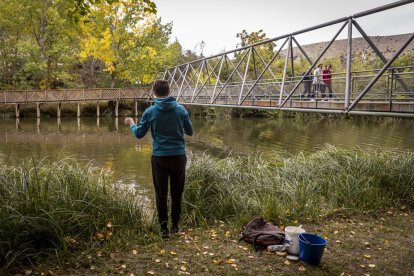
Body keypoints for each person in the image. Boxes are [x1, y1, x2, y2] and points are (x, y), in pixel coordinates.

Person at [125, 80, 193, 239]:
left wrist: (132, 123)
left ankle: (164, 230)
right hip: (178, 157)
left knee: (161, 193)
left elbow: (139, 134)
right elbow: (190, 131)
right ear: (169, 91)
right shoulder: (181, 110)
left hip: (160, 158)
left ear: (154, 93)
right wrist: (184, 119)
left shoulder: (150, 112)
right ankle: (175, 227)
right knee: (177, 193)